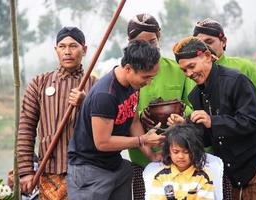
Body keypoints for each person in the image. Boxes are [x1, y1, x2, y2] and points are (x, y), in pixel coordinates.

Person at [171, 36, 256, 199]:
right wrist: (186, 126)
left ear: (207, 57)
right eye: (184, 70)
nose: (189, 74)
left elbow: (251, 121)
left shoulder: (236, 81)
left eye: (191, 66)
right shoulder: (196, 95)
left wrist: (212, 121)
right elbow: (208, 138)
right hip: (235, 165)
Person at [67, 40, 166, 200]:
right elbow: (103, 143)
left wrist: (152, 156)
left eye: (152, 78)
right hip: (89, 169)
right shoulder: (105, 95)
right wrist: (142, 139)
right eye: (146, 77)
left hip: (115, 164)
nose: (148, 83)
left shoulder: (133, 86)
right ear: (128, 69)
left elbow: (133, 122)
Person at [17, 26, 97, 199]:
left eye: (73, 46)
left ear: (84, 49)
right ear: (56, 50)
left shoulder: (96, 86)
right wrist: (25, 171)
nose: (67, 51)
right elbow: (26, 128)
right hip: (49, 172)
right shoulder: (39, 83)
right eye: (62, 46)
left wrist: (86, 103)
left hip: (87, 172)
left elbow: (106, 127)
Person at [126, 13, 195, 199]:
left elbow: (193, 107)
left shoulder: (178, 70)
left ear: (160, 37)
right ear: (129, 41)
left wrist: (182, 113)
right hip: (141, 158)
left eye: (152, 41)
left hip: (180, 156)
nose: (148, 48)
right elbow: (120, 114)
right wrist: (141, 116)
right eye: (141, 43)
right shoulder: (125, 73)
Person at [192, 18, 256, 115]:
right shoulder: (192, 73)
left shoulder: (244, 67)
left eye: (209, 42)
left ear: (223, 41)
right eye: (199, 44)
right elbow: (190, 106)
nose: (204, 47)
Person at [145, 123, 214, 200]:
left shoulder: (203, 177)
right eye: (175, 152)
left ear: (195, 151)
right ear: (168, 151)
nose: (181, 156)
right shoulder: (160, 177)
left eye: (186, 152)